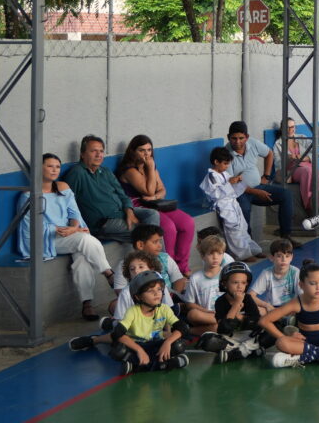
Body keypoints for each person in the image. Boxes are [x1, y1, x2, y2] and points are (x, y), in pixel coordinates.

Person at [18, 153, 114, 320]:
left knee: (82, 257)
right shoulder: (28, 195)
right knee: (85, 240)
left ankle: (87, 304)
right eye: (49, 166)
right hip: (47, 240)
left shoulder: (62, 187)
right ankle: (108, 273)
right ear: (38, 168)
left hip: (70, 235)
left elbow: (74, 212)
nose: (54, 170)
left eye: (57, 166)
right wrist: (70, 230)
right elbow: (33, 228)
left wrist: (75, 227)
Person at [115, 135, 196, 272]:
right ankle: (167, 269)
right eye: (141, 150)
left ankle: (181, 266)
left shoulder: (150, 167)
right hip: (137, 206)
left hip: (154, 203)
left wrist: (154, 196)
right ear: (133, 151)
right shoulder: (129, 170)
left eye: (149, 150)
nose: (146, 154)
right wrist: (151, 169)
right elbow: (149, 189)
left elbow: (161, 190)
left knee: (188, 222)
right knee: (169, 228)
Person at [64, 135, 162, 240]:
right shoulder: (77, 173)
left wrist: (129, 211)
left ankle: (153, 255)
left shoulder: (106, 171)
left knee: (152, 215)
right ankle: (156, 255)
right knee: (148, 232)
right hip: (103, 222)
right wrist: (76, 226)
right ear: (82, 154)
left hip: (121, 213)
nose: (98, 155)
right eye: (93, 151)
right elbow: (68, 203)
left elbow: (122, 195)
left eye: (101, 151)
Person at [224, 121, 297, 245]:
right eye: (234, 138)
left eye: (241, 138)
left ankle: (286, 237)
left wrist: (266, 176)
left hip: (258, 187)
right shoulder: (225, 154)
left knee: (286, 195)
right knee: (244, 209)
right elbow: (233, 184)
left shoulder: (253, 143)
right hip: (240, 193)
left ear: (247, 137)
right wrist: (257, 191)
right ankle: (249, 245)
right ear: (228, 137)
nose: (237, 142)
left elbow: (269, 153)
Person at [110, 271, 189, 373]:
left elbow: (183, 327)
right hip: (137, 345)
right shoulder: (132, 311)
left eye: (159, 289)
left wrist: (168, 343)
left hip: (156, 344)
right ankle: (164, 364)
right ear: (138, 297)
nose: (156, 293)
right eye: (150, 291)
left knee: (178, 345)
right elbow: (117, 333)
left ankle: (138, 366)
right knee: (118, 351)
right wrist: (139, 350)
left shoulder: (164, 309)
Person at [199, 261, 270, 363]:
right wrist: (236, 305)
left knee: (273, 330)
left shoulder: (248, 298)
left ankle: (238, 353)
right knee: (206, 341)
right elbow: (224, 328)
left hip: (250, 336)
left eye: (243, 283)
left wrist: (239, 317)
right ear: (224, 284)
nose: (240, 286)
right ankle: (247, 351)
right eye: (235, 282)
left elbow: (256, 323)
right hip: (231, 338)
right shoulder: (220, 302)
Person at [200, 147, 264, 260]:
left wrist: (237, 181)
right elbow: (215, 194)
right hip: (223, 206)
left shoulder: (224, 174)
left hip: (233, 204)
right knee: (233, 230)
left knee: (242, 227)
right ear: (216, 162)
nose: (227, 166)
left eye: (228, 164)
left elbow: (233, 187)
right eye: (225, 163)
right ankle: (243, 255)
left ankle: (252, 250)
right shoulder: (211, 176)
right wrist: (229, 183)